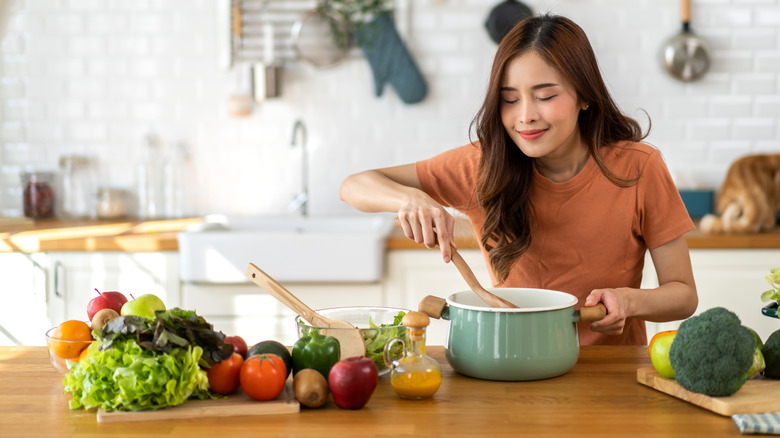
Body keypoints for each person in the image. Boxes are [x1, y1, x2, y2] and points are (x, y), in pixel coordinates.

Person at [339, 14, 697, 345]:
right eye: (510, 100)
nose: (525, 116)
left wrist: (629, 301)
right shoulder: (483, 164)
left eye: (545, 96)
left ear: (584, 95)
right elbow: (354, 185)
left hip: (611, 373)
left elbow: (683, 295)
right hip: (510, 363)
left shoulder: (639, 168)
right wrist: (409, 199)